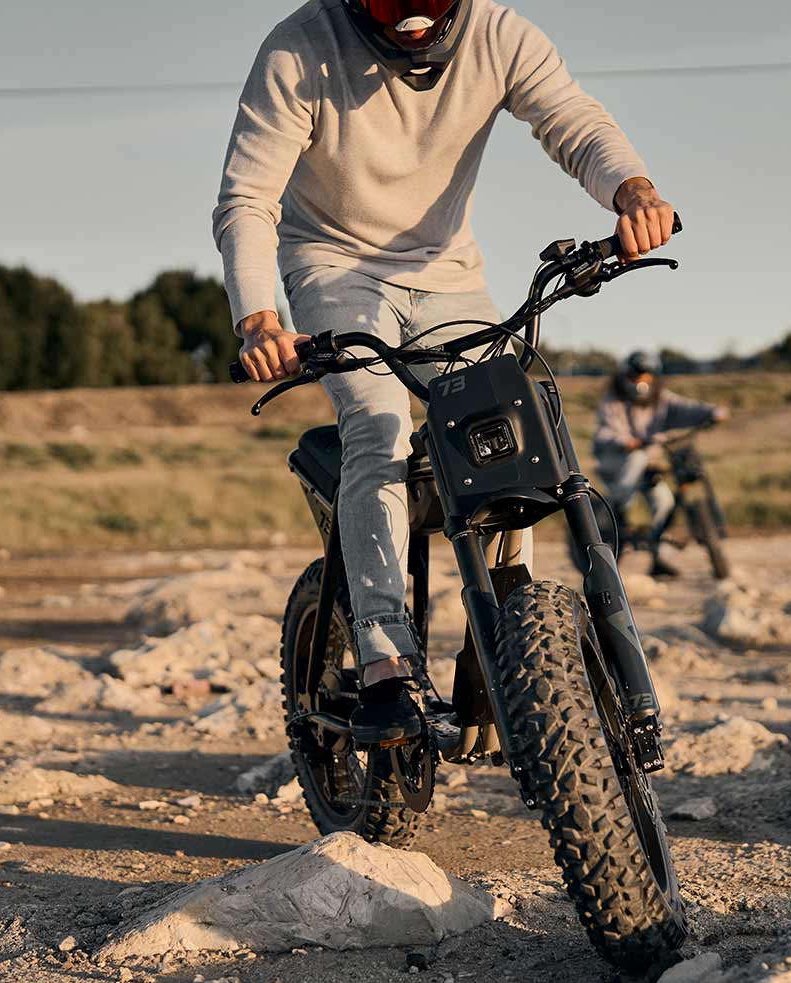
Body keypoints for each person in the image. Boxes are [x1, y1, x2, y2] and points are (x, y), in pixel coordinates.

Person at [213, 0, 677, 743]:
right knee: (379, 421)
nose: (412, 23)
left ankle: (497, 643)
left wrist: (632, 189)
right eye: (392, 3)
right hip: (333, 267)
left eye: (428, 2)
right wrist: (259, 317)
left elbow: (572, 120)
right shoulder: (298, 49)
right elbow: (248, 198)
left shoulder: (500, 33)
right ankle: (386, 663)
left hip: (448, 271)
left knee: (511, 426)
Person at [592, 351, 728, 577]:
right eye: (637, 375)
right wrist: (625, 441)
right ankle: (619, 505)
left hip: (647, 464)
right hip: (617, 460)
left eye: (646, 375)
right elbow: (606, 429)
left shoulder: (661, 398)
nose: (641, 380)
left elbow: (686, 408)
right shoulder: (612, 399)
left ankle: (659, 557)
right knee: (637, 457)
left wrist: (714, 412)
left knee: (664, 501)